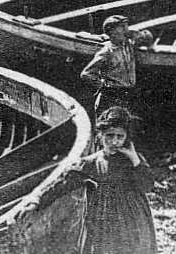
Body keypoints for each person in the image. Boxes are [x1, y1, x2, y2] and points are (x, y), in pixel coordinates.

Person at [17, 105, 156, 254]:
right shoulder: (90, 163)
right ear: (100, 136)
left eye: (120, 137)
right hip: (103, 223)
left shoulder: (133, 161)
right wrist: (36, 201)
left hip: (132, 223)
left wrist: (135, 158)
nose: (114, 141)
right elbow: (63, 182)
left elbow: (147, 185)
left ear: (126, 138)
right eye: (109, 135)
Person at [79, 14, 154, 118]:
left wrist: (136, 33)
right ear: (111, 32)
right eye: (122, 27)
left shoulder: (128, 45)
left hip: (129, 94)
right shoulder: (106, 52)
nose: (126, 30)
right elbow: (86, 74)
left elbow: (148, 38)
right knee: (110, 124)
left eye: (126, 26)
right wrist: (103, 86)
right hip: (112, 96)